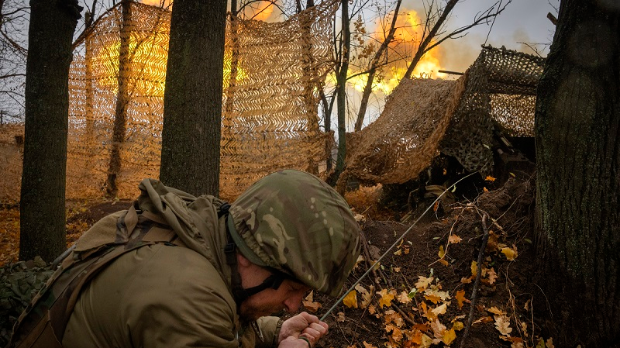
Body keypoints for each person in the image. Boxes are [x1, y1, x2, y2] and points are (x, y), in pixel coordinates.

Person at [8, 169, 361, 348]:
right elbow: (198, 317)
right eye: (294, 288)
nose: (294, 304)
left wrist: (273, 332)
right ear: (253, 257)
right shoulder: (188, 294)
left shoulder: (193, 229)